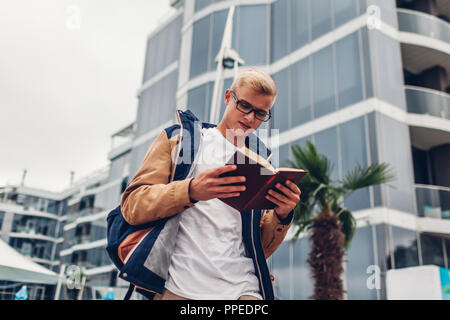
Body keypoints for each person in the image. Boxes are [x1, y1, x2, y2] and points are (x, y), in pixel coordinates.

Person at [120, 68, 301, 300]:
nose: (249, 118)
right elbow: (132, 206)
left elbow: (259, 248)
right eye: (244, 106)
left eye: (260, 113)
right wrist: (191, 191)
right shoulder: (181, 140)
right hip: (179, 287)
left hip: (243, 289)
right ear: (228, 97)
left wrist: (282, 216)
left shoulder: (261, 163)